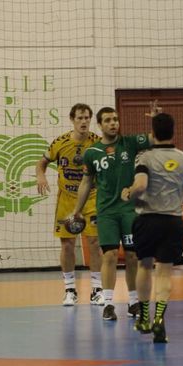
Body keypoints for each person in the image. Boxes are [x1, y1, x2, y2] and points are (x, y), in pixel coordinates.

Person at [69, 107, 152, 322]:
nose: (113, 123)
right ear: (100, 125)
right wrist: (77, 211)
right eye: (108, 120)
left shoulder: (130, 143)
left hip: (129, 211)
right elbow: (86, 182)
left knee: (133, 256)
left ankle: (133, 302)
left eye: (116, 119)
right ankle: (108, 303)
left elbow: (155, 138)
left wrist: (155, 118)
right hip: (106, 212)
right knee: (110, 256)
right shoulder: (92, 153)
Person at [122, 113, 183, 343]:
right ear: (174, 132)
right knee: (164, 271)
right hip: (173, 221)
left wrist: (128, 193)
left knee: (145, 266)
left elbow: (141, 184)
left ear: (152, 134)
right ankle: (159, 318)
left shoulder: (144, 156)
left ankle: (144, 317)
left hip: (147, 219)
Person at [36, 104, 103, 306]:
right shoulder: (60, 143)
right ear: (72, 119)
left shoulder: (98, 143)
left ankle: (97, 289)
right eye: (80, 118)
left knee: (95, 243)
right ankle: (70, 290)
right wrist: (40, 176)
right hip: (67, 199)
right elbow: (42, 162)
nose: (83, 122)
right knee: (67, 245)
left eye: (87, 118)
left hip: (91, 198)